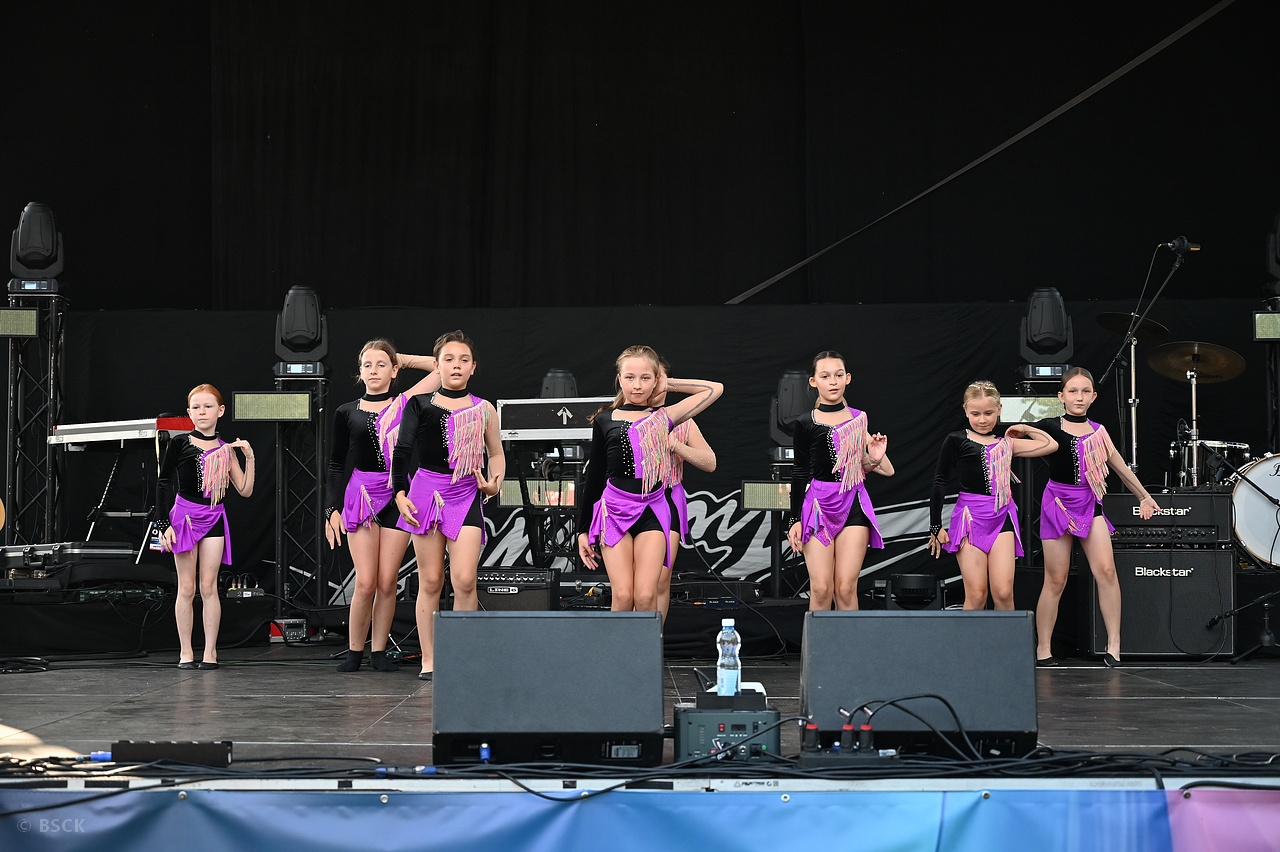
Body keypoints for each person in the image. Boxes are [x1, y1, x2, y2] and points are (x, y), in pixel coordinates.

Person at [391, 330, 504, 682]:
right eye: (449, 359)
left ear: (473, 367)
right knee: (431, 580)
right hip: (425, 494)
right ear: (437, 365)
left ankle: (461, 657)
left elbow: (496, 453)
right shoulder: (419, 404)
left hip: (466, 493)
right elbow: (402, 452)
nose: (456, 365)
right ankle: (430, 658)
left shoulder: (484, 409)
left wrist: (494, 482)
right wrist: (400, 493)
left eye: (463, 360)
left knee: (465, 579)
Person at [577, 346, 723, 615]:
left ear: (656, 380)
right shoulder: (605, 419)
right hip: (614, 510)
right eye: (630, 377)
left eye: (646, 378)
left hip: (653, 510)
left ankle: (648, 644)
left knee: (646, 595)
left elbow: (714, 389)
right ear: (619, 379)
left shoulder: (666, 417)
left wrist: (668, 384)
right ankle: (620, 645)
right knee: (623, 595)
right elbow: (595, 476)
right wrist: (583, 530)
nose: (637, 385)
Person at [1032, 367, 1160, 667]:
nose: (1079, 397)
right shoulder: (1049, 426)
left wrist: (1144, 496)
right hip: (1057, 505)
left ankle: (1113, 645)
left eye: (1085, 391)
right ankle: (1043, 648)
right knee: (1055, 579)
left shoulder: (1099, 433)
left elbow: (1121, 468)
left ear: (1094, 396)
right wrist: (1014, 435)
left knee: (1107, 571)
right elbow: (1020, 443)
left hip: (1089, 503)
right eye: (1073, 391)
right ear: (1061, 396)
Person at [324, 340, 439, 673]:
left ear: (393, 371)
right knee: (365, 582)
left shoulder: (406, 404)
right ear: (359, 372)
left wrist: (401, 357)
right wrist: (331, 509)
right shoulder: (346, 411)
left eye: (381, 365)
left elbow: (439, 366)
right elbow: (335, 465)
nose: (373, 371)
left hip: (397, 495)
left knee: (388, 582)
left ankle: (378, 651)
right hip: (361, 495)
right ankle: (354, 651)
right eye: (367, 365)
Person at [927, 380, 1057, 610]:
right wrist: (936, 526)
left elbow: (1051, 444)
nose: (982, 420)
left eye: (988, 413)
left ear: (999, 409)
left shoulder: (1007, 444)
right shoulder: (957, 440)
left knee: (1004, 593)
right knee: (977, 595)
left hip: (1001, 517)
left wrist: (1024, 428)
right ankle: (970, 636)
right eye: (975, 414)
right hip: (970, 518)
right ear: (965, 411)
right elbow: (940, 482)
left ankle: (1005, 635)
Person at [156, 384, 255, 670]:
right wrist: (163, 524)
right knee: (186, 587)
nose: (202, 412)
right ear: (189, 412)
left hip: (213, 518)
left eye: (208, 406)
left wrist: (249, 457)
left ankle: (210, 652)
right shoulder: (180, 443)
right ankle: (186, 652)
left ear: (220, 411)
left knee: (209, 587)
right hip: (184, 517)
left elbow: (245, 490)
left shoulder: (226, 450)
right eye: (196, 407)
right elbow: (163, 483)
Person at [786, 350, 894, 611]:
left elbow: (886, 470)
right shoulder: (805, 422)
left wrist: (875, 457)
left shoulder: (858, 419)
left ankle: (849, 640)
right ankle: (818, 640)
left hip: (852, 502)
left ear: (848, 378)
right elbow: (800, 471)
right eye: (825, 376)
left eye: (838, 375)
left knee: (845, 588)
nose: (833, 381)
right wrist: (793, 519)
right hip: (819, 505)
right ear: (814, 382)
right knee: (821, 588)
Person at [654, 359, 718, 623]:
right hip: (629, 501)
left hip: (667, 497)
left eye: (657, 378)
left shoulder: (683, 421)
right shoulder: (626, 417)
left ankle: (652, 637)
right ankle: (628, 638)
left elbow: (710, 462)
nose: (651, 385)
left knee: (660, 579)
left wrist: (676, 446)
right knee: (632, 583)